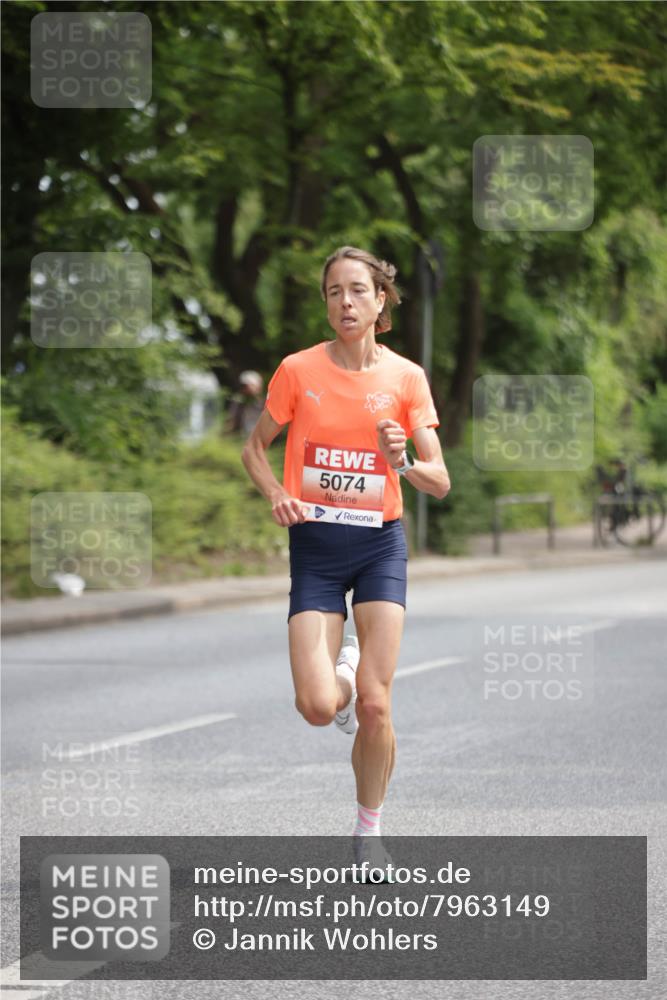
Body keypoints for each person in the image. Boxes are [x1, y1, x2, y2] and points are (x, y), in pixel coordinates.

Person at [242, 246, 450, 875]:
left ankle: (369, 832)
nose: (345, 302)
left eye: (358, 290)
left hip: (379, 544)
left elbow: (439, 481)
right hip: (316, 548)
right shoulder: (297, 371)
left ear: (381, 300)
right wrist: (277, 492)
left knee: (376, 703)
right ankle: (347, 663)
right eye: (334, 292)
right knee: (315, 706)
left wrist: (403, 462)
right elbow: (254, 448)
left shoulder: (406, 378)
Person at [226, 370, 265, 435]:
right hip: (241, 436)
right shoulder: (238, 401)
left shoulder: (265, 402)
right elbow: (231, 421)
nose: (246, 388)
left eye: (249, 385)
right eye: (244, 386)